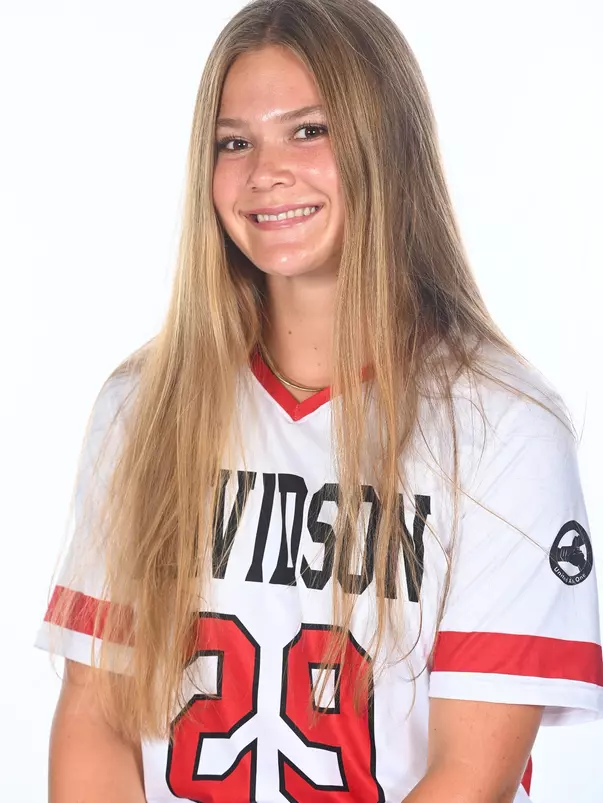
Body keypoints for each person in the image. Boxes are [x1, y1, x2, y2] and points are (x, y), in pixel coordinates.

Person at [35, 0, 603, 801]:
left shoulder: (501, 426)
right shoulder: (143, 407)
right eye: (234, 142)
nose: (265, 171)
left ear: (385, 145)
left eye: (309, 130)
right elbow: (95, 718)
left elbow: (468, 777)